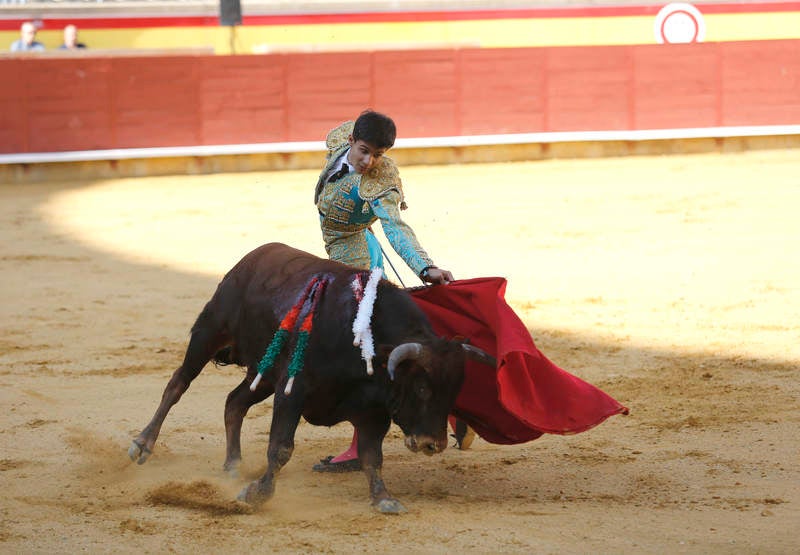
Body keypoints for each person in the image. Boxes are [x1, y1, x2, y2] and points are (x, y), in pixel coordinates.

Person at [312, 109, 473, 472]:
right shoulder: (339, 138)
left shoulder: (381, 183)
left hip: (356, 253)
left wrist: (424, 266)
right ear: (351, 141)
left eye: (379, 155)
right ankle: (454, 416)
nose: (370, 162)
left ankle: (360, 447)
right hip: (342, 248)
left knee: (362, 347)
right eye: (365, 151)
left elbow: (396, 228)